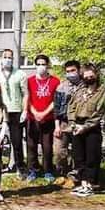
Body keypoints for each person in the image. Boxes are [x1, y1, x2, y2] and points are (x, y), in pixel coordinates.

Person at [69, 64, 105, 198]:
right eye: (85, 75)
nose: (88, 78)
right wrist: (73, 124)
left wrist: (85, 127)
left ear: (96, 75)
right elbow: (71, 107)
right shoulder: (80, 90)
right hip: (77, 126)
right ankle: (83, 183)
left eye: (91, 75)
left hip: (91, 128)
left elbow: (99, 112)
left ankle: (91, 185)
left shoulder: (103, 91)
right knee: (79, 157)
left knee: (92, 157)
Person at [23, 54, 61, 183]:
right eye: (38, 64)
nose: (41, 67)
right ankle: (32, 170)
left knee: (47, 146)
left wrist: (44, 113)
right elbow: (27, 98)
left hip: (48, 118)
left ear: (48, 65)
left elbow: (56, 100)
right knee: (31, 145)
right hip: (32, 118)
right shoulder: (30, 80)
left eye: (43, 64)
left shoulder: (55, 81)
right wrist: (34, 112)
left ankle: (48, 170)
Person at [0, 49, 26, 179]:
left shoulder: (20, 74)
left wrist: (25, 110)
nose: (7, 59)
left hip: (15, 110)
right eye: (5, 57)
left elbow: (25, 94)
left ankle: (20, 167)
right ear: (0, 58)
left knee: (16, 141)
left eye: (10, 57)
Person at [53, 60, 82, 187]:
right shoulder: (61, 87)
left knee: (77, 151)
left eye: (73, 71)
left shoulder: (85, 86)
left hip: (79, 123)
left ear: (79, 70)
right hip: (63, 122)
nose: (70, 74)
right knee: (59, 151)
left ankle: (74, 176)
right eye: (68, 71)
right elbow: (57, 107)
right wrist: (57, 126)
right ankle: (62, 173)